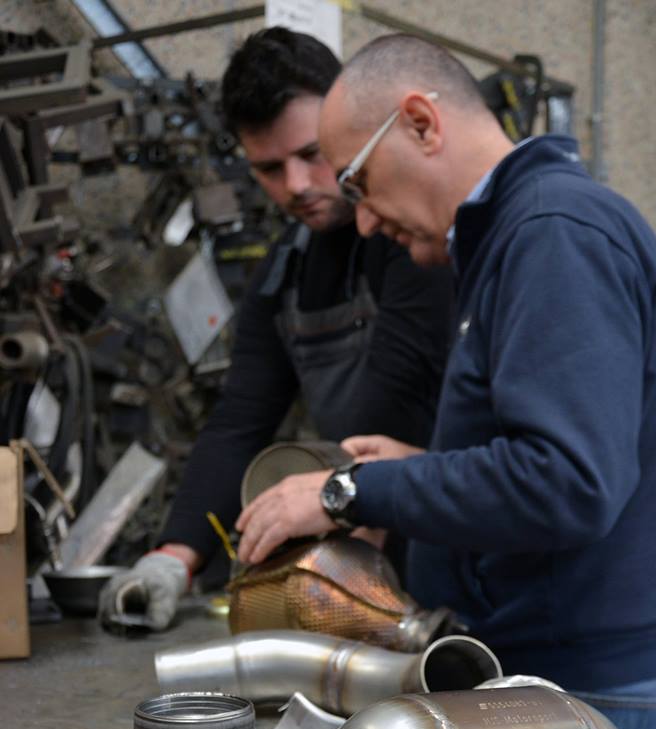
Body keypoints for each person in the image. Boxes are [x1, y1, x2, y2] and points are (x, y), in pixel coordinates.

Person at [236, 34, 656, 729]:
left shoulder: (555, 234)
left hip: (578, 699)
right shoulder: (518, 238)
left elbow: (569, 484)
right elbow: (549, 459)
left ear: (421, 123)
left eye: (359, 181)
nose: (364, 222)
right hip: (547, 687)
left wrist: (351, 492)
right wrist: (420, 467)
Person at [99, 28, 454, 632]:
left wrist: (350, 514)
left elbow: (398, 393)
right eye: (269, 167)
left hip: (439, 538)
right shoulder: (284, 272)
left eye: (312, 154)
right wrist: (173, 556)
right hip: (357, 528)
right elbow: (241, 418)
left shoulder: (412, 240)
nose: (297, 185)